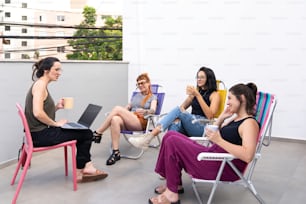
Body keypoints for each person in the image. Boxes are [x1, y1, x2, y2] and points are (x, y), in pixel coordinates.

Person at [148, 83, 259, 204]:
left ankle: (171, 195)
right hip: (213, 157)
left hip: (220, 166)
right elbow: (211, 137)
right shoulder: (235, 118)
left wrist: (219, 140)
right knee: (170, 135)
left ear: (241, 99)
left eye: (230, 98)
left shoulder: (249, 123)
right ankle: (174, 184)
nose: (227, 102)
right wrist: (221, 118)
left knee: (172, 141)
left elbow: (248, 155)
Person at [24, 57, 108, 183]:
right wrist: (56, 124)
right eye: (56, 69)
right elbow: (37, 113)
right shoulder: (40, 85)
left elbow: (40, 111)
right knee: (86, 133)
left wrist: (56, 107)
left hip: (38, 133)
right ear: (46, 70)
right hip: (40, 136)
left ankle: (86, 167)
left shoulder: (41, 84)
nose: (59, 73)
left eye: (60, 69)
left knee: (81, 132)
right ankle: (84, 169)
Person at [128, 66, 221, 149]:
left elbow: (210, 116)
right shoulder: (195, 93)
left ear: (208, 79)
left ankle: (149, 136)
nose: (198, 79)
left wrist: (197, 95)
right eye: (198, 77)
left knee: (178, 111)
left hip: (203, 126)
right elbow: (182, 107)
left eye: (202, 77)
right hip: (192, 123)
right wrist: (177, 117)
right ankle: (169, 152)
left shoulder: (214, 95)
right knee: (174, 125)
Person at [93, 73, 157, 165]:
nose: (140, 85)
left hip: (141, 121)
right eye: (138, 84)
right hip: (131, 119)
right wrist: (122, 112)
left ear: (148, 83)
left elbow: (153, 110)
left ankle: (98, 133)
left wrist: (146, 111)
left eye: (142, 83)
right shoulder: (136, 96)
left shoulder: (152, 97)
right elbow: (127, 107)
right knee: (115, 119)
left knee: (117, 108)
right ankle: (116, 152)